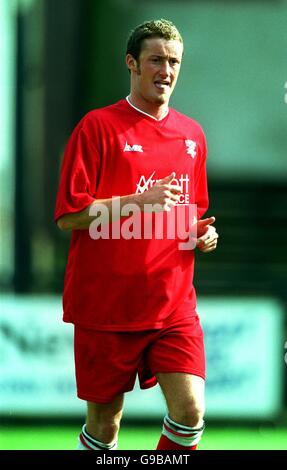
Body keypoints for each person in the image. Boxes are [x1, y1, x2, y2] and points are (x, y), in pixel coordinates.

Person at [54, 19, 218, 451]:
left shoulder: (193, 136)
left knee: (190, 412)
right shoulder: (97, 127)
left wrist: (199, 235)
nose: (166, 70)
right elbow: (69, 217)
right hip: (106, 308)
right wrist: (137, 202)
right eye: (156, 60)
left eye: (174, 61)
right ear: (132, 63)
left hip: (173, 306)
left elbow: (190, 212)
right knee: (105, 428)